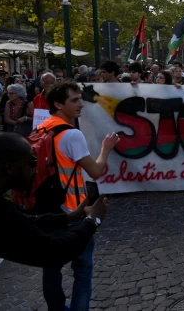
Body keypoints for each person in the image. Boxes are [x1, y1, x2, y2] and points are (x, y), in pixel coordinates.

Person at [0, 132, 108, 310]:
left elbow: (22, 221)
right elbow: (53, 252)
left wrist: (70, 216)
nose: (35, 170)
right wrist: (92, 220)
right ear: (9, 168)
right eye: (32, 162)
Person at [40, 80, 120, 311]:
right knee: (83, 270)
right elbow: (95, 171)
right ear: (58, 104)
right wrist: (106, 148)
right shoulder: (71, 134)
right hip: (73, 210)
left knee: (51, 269)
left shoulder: (43, 127)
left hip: (48, 210)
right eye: (74, 100)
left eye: (80, 99)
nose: (81, 104)